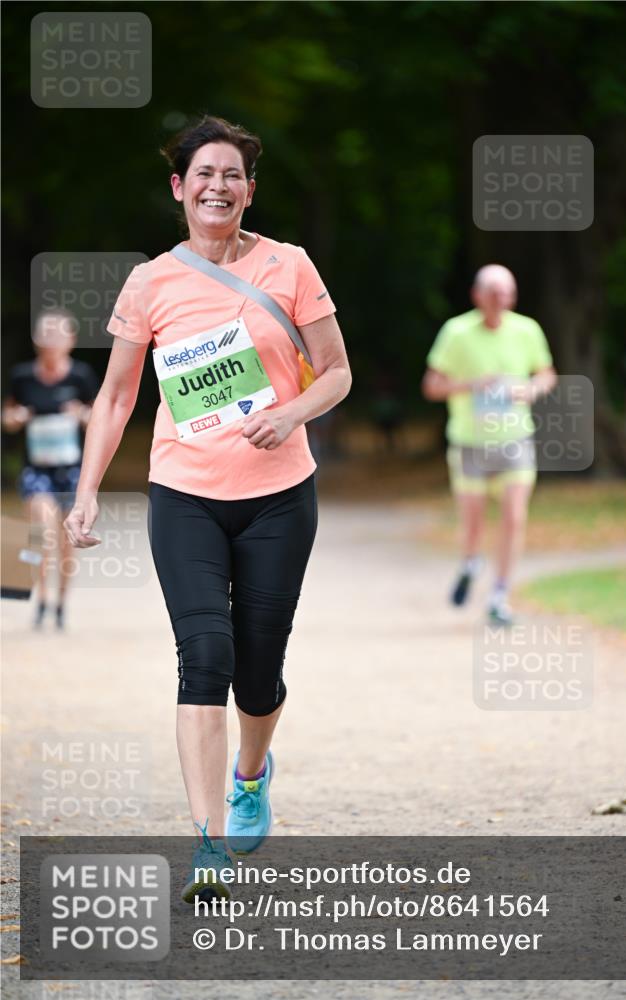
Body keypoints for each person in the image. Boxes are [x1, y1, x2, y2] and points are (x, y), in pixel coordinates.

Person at [63, 115, 352, 901]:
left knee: (258, 674)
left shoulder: (289, 266)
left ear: (249, 190)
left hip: (279, 498)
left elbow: (335, 372)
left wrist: (291, 415)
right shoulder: (151, 282)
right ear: (178, 189)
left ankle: (251, 772)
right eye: (204, 175)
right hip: (184, 494)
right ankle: (206, 842)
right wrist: (86, 492)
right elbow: (118, 394)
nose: (217, 186)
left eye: (232, 175)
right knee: (205, 655)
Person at [422, 264, 557, 626]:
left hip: (515, 440)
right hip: (469, 443)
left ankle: (500, 594)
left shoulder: (527, 330)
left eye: (508, 293)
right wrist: (471, 386)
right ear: (477, 295)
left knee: (514, 517)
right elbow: (432, 386)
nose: (502, 300)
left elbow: (546, 373)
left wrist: (530, 389)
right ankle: (470, 562)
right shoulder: (457, 331)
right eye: (495, 293)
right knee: (473, 523)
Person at [2, 308, 98, 629]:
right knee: (42, 533)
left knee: (66, 541)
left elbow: (98, 419)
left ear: (70, 340)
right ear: (36, 341)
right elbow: (8, 416)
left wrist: (81, 415)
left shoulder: (81, 376)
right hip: (37, 469)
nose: (50, 342)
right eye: (45, 335)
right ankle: (41, 599)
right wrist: (15, 419)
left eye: (57, 335)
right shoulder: (22, 376)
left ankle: (60, 605)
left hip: (71, 470)